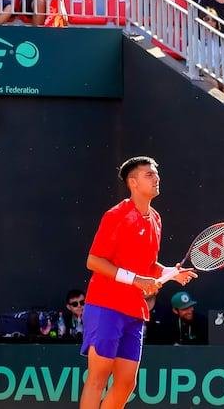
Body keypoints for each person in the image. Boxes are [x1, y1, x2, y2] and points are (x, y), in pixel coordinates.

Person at [80, 156, 197, 409]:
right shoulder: (117, 215)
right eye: (149, 175)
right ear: (133, 182)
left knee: (126, 384)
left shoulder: (155, 219)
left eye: (156, 174)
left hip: (134, 310)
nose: (157, 178)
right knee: (98, 378)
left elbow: (148, 266)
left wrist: (170, 273)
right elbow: (94, 261)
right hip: (105, 306)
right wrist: (136, 280)